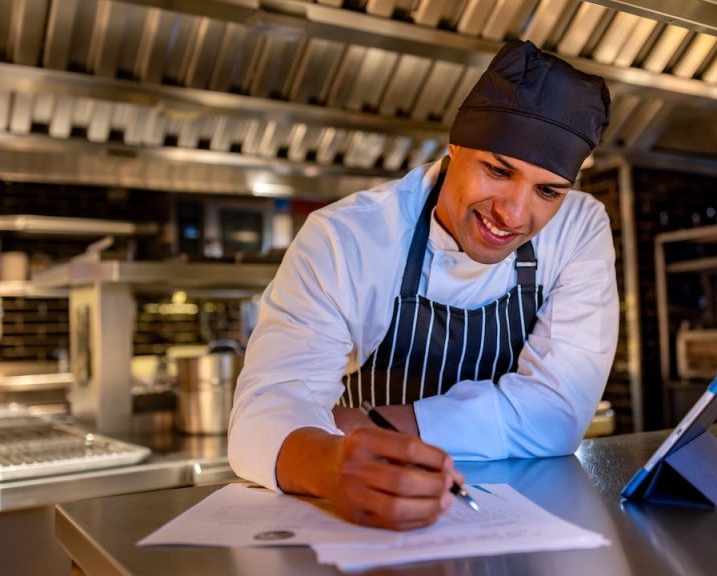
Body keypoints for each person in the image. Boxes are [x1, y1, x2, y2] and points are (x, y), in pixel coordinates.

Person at [228, 40, 617, 531]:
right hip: (372, 512)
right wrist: (331, 465)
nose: (514, 215)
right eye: (498, 170)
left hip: (517, 519)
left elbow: (557, 417)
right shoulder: (347, 238)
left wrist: (369, 424)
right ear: (455, 148)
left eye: (548, 191)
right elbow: (263, 415)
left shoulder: (579, 228)